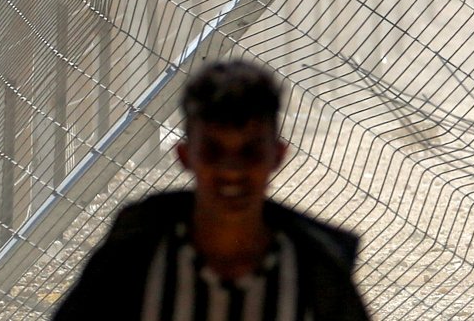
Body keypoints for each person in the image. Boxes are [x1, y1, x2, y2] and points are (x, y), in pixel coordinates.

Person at [54, 59, 372, 321]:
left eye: (250, 151)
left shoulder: (314, 271)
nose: (231, 170)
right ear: (184, 156)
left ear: (277, 155)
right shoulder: (134, 260)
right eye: (213, 151)